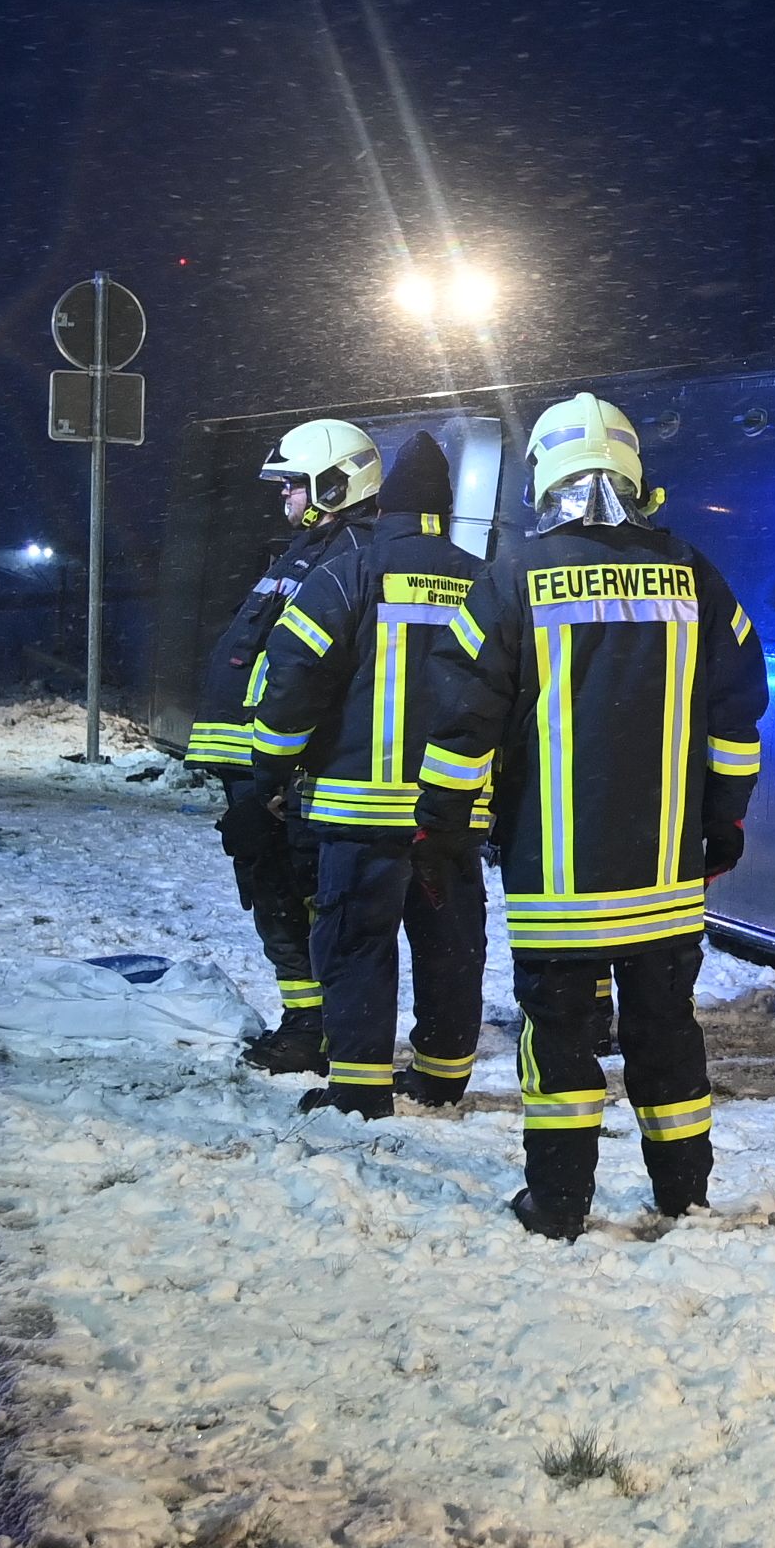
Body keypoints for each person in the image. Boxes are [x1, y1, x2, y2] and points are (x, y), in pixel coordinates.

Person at [445, 392, 766, 1239]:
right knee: (666, 1032)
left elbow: (462, 722)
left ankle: (557, 1203)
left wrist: (447, 821)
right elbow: (737, 715)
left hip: (557, 882)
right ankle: (683, 1195)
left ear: (543, 477)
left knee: (560, 1040)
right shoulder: (694, 572)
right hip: (665, 879)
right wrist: (723, 819)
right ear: (635, 473)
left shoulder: (511, 578)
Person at [245, 432, 496, 1117]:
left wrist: (270, 765)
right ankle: (444, 1077)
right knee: (450, 945)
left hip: (358, 816)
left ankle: (359, 1087)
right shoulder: (485, 580)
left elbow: (294, 680)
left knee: (357, 943)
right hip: (452, 815)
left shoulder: (347, 576)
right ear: (443, 509)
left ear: (385, 509)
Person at [190, 416, 381, 1073]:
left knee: (292, 895)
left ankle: (312, 1029)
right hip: (257, 764)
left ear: (334, 483)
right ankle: (305, 1020)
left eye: (294, 486)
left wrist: (280, 773)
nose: (285, 498)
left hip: (287, 770)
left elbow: (318, 674)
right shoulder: (312, 548)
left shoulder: (351, 555)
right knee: (270, 890)